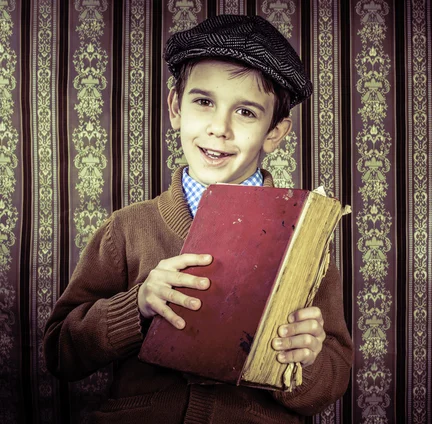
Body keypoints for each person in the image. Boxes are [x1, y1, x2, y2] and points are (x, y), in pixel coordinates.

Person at [43, 14, 353, 424]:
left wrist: (307, 361)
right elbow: (59, 353)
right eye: (204, 102)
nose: (219, 128)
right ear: (176, 107)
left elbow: (332, 378)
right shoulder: (127, 228)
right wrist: (136, 305)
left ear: (274, 133)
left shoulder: (305, 238)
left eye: (245, 112)